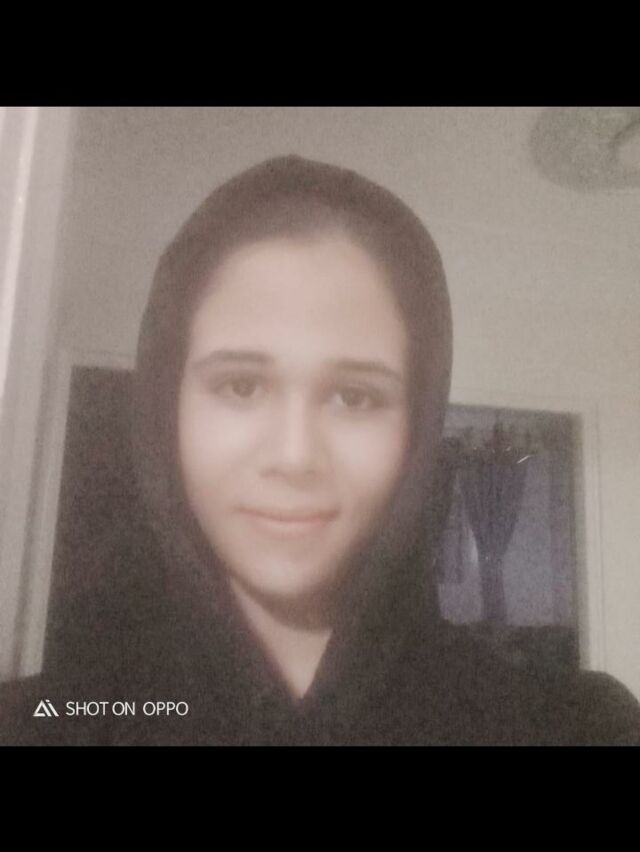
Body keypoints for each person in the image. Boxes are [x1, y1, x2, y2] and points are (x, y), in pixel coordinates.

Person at [1, 155, 639, 746]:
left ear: (417, 427)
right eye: (241, 385)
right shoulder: (48, 723)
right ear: (168, 407)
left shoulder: (567, 727)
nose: (295, 456)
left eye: (354, 397)